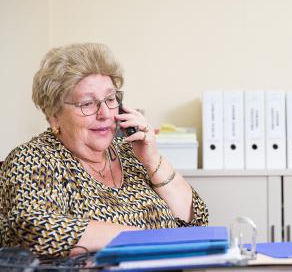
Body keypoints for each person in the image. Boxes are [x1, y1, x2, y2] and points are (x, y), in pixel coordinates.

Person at [0, 43, 208, 258]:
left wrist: (152, 160)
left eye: (110, 99)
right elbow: (33, 229)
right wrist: (144, 239)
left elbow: (195, 222)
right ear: (54, 115)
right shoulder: (33, 158)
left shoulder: (130, 151)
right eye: (87, 103)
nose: (105, 114)